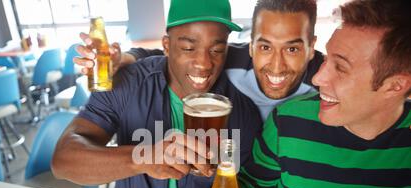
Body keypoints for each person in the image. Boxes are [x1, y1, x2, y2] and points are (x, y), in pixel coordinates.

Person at [192, 0, 411, 188]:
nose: (318, 78)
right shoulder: (288, 118)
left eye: (340, 67)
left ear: (395, 86)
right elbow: (252, 184)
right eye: (327, 58)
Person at [52, 0, 262, 188]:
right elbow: (63, 161)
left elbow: (240, 187)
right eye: (188, 48)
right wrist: (142, 158)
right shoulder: (128, 84)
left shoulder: (241, 111)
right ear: (167, 45)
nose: (204, 63)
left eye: (217, 50)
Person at [75, 0, 323, 122]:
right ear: (252, 46)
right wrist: (125, 58)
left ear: (310, 48)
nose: (276, 65)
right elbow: (165, 57)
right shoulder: (230, 58)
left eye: (292, 49)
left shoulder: (324, 77)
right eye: (265, 46)